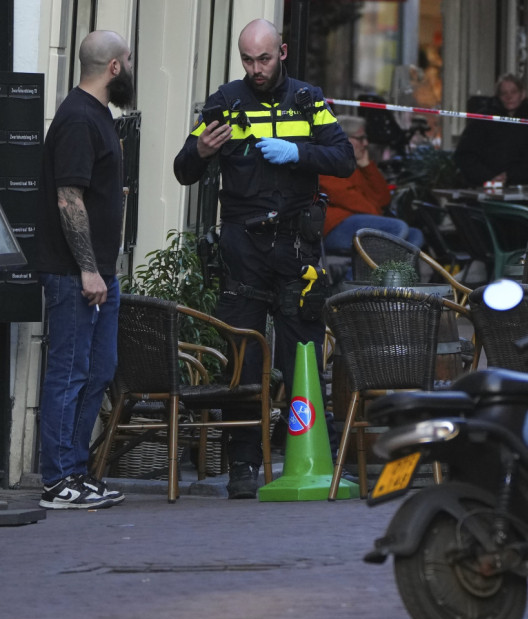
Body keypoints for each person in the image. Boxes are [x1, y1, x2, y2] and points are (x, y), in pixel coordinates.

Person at [173, 18, 355, 499]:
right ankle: (243, 465)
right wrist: (201, 149)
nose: (256, 69)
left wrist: (296, 153)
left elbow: (343, 159)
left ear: (283, 52)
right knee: (244, 358)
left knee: (304, 356)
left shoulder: (307, 99)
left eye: (265, 59)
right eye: (248, 60)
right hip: (242, 249)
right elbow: (182, 170)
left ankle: (310, 455)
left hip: (295, 248)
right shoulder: (225, 102)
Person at [35, 30, 134, 510]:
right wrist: (89, 271)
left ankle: (74, 470)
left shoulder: (96, 115)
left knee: (99, 370)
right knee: (69, 372)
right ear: (115, 67)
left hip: (99, 273)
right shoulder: (78, 117)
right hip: (78, 274)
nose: (130, 70)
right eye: (128, 62)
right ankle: (56, 480)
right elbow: (68, 197)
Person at [319, 115, 424, 255]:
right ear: (342, 139)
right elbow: (351, 201)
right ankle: (359, 276)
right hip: (334, 228)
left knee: (414, 234)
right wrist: (379, 215)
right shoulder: (326, 165)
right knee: (397, 228)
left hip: (358, 222)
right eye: (360, 138)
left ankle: (388, 276)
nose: (366, 143)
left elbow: (383, 199)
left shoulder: (355, 165)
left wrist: (368, 167)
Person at [453, 73, 528, 188]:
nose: (509, 97)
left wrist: (508, 177)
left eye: (513, 92)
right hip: (481, 187)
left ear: (522, 94)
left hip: (520, 189)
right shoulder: (482, 119)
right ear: (498, 96)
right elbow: (464, 155)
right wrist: (489, 177)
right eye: (504, 93)